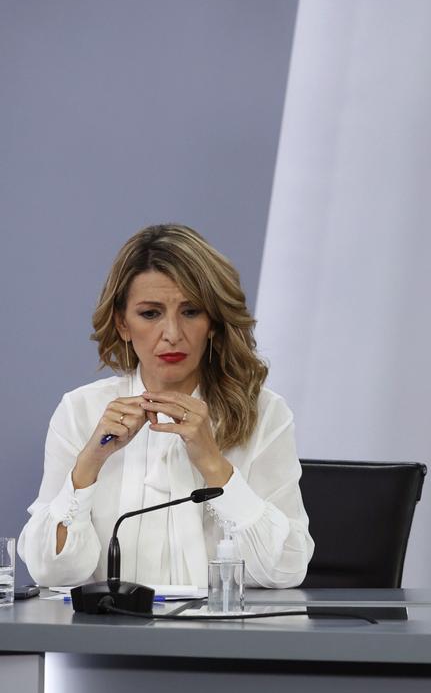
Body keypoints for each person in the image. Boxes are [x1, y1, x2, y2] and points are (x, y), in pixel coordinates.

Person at [19, 224, 313, 589]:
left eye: (190, 312)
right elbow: (51, 572)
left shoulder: (265, 413)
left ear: (213, 324)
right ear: (123, 324)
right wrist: (89, 465)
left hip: (224, 642)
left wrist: (213, 464)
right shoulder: (80, 411)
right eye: (150, 313)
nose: (172, 333)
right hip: (103, 641)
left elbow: (286, 569)